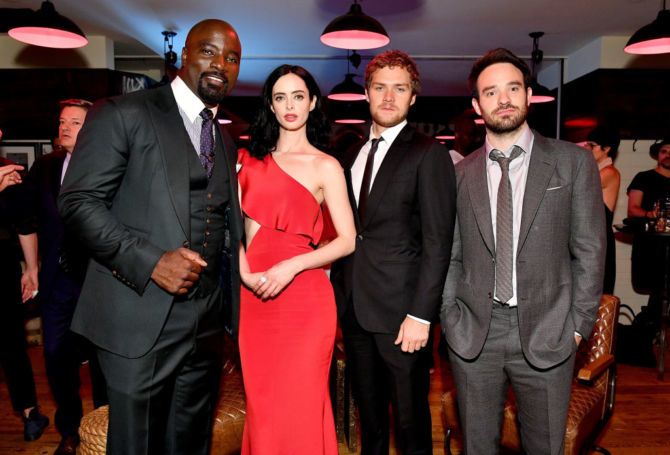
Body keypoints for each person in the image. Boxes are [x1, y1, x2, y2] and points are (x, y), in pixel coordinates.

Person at [58, 19, 243, 455]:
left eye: (232, 58)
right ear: (183, 55)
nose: (220, 64)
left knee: (190, 443)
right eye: (209, 51)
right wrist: (151, 261)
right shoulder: (124, 112)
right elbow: (78, 202)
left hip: (205, 323)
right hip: (138, 315)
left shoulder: (223, 136)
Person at [441, 48, 605, 455]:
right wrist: (450, 315)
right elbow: (449, 253)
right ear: (478, 106)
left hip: (550, 328)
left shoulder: (572, 163)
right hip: (474, 332)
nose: (504, 99)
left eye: (513, 88)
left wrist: (578, 325)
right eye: (491, 92)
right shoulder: (459, 174)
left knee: (545, 448)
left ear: (529, 95)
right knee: (477, 447)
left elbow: (589, 248)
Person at [330, 50, 456, 454]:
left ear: (413, 97)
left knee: (409, 420)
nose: (388, 97)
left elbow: (439, 242)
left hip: (403, 316)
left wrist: (421, 315)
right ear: (366, 93)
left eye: (399, 89)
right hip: (354, 309)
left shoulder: (428, 153)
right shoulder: (350, 155)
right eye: (380, 87)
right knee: (369, 418)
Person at [237, 64, 355, 454]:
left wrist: (293, 265)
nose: (290, 105)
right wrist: (244, 273)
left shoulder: (326, 165)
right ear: (270, 106)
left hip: (305, 301)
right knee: (264, 407)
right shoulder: (247, 162)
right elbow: (234, 231)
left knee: (301, 404)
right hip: (255, 299)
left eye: (298, 96)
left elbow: (347, 241)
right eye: (280, 97)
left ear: (313, 103)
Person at [25, 99, 108, 455]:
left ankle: (106, 430)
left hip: (101, 281)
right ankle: (70, 432)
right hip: (58, 281)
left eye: (75, 121)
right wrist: (31, 269)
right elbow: (26, 220)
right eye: (62, 121)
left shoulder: (111, 165)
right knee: (57, 357)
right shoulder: (45, 167)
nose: (66, 127)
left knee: (104, 361)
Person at [0, 155, 50, 442]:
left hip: (2, 265)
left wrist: (32, 269)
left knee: (11, 342)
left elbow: (25, 223)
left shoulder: (9, 170)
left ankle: (31, 412)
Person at [583, 125, 621, 294]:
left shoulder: (609, 172)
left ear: (607, 149)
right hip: (589, 237)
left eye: (592, 145)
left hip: (599, 240)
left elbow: (577, 189)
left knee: (597, 291)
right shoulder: (594, 170)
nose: (586, 148)